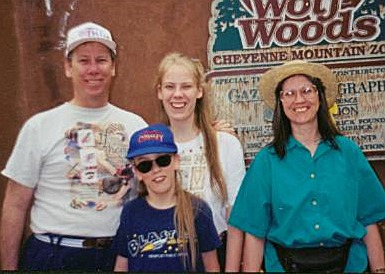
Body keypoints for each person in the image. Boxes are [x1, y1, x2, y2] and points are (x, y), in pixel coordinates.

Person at [0, 22, 147, 271]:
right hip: (52, 255)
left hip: (118, 256)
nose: (93, 69)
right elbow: (15, 204)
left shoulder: (135, 126)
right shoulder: (39, 127)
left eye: (101, 60)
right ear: (68, 67)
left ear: (113, 67)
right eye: (83, 60)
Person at [229, 60, 385, 272]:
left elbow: (368, 220)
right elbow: (255, 231)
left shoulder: (348, 152)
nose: (299, 100)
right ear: (281, 103)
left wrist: (379, 270)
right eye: (289, 94)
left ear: (319, 97)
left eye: (306, 90)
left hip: (349, 265)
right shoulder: (267, 160)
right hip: (285, 266)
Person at [154, 52, 246, 271]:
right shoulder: (151, 148)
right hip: (165, 258)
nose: (178, 95)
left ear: (199, 91)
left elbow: (236, 218)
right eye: (169, 87)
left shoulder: (226, 144)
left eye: (186, 86)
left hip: (216, 256)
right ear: (159, 92)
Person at [114, 123, 221, 272]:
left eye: (163, 160)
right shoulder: (130, 212)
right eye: (145, 165)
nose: (156, 170)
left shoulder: (198, 210)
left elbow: (212, 266)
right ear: (137, 172)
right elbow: (122, 264)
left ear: (176, 161)